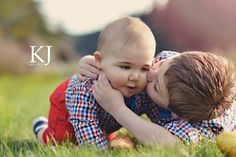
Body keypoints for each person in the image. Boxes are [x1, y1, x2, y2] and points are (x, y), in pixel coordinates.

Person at [32, 16, 171, 149]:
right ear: (99, 60)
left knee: (106, 137)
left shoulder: (144, 88)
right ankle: (41, 128)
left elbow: (161, 120)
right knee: (59, 140)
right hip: (66, 108)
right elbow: (86, 127)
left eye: (144, 68)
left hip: (104, 119)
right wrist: (102, 150)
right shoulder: (85, 88)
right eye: (125, 67)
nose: (136, 76)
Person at [78, 50, 236, 145]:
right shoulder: (172, 67)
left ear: (176, 115)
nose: (151, 72)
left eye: (156, 87)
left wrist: (118, 109)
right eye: (161, 64)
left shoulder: (201, 126)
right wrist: (93, 63)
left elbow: (171, 144)